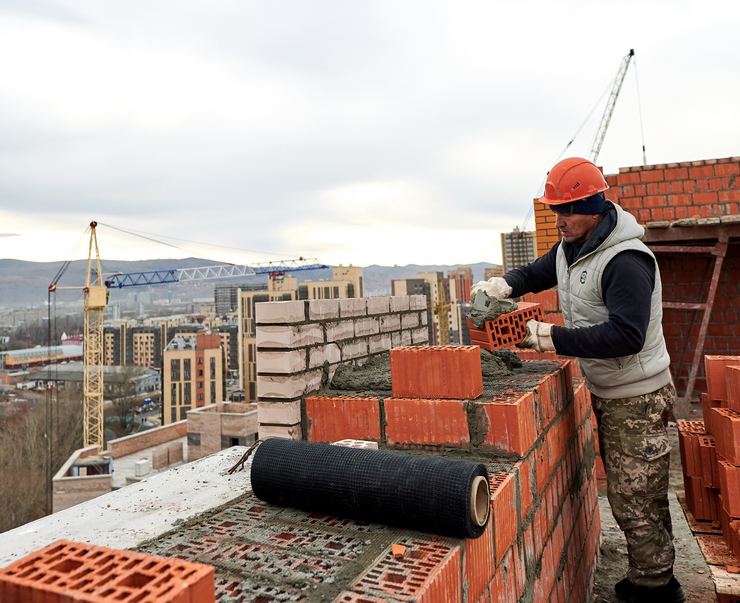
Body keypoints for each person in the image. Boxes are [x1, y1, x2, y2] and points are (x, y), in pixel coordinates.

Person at [471, 157, 685, 603]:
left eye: (566, 211)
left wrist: (548, 336)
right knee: (638, 493)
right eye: (554, 211)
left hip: (638, 396)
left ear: (593, 207)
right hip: (614, 391)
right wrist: (503, 286)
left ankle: (656, 590)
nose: (559, 220)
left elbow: (626, 335)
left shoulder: (625, 261)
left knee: (634, 499)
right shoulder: (573, 249)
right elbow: (536, 273)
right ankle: (653, 574)